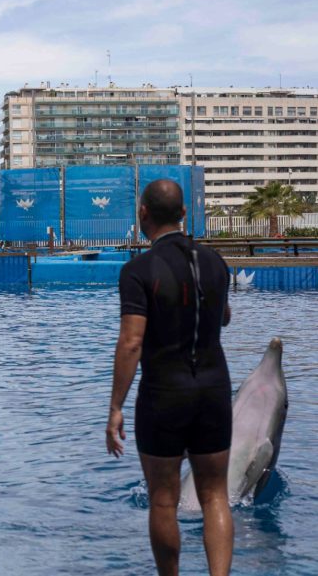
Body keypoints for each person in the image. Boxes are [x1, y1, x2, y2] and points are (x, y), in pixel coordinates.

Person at [106, 179, 233, 576]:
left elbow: (131, 342)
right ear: (183, 214)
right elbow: (223, 317)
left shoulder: (138, 271)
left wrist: (115, 408)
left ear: (142, 213)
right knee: (215, 495)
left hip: (164, 393)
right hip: (214, 390)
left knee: (162, 499)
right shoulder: (215, 262)